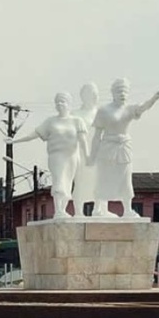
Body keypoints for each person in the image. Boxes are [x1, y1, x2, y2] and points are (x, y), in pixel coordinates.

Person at [86, 78, 159, 218]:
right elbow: (97, 136)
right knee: (103, 178)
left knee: (125, 179)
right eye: (119, 91)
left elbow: (143, 107)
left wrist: (154, 98)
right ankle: (98, 208)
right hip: (107, 148)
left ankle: (127, 209)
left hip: (124, 147)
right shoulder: (103, 111)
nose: (122, 94)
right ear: (113, 93)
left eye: (125, 92)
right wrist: (92, 156)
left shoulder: (129, 109)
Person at [6, 92, 89, 219]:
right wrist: (14, 141)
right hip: (57, 156)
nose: (60, 104)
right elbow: (33, 135)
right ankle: (58, 210)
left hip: (72, 157)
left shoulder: (77, 121)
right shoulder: (51, 121)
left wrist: (88, 156)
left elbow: (83, 141)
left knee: (68, 183)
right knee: (59, 180)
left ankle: (63, 209)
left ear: (69, 104)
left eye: (63, 101)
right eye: (57, 102)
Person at [71, 82, 100, 217]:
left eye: (94, 93)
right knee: (80, 182)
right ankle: (78, 211)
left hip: (98, 153)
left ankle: (99, 209)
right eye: (88, 93)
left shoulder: (100, 113)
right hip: (81, 154)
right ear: (82, 95)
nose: (92, 96)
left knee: (100, 181)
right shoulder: (75, 114)